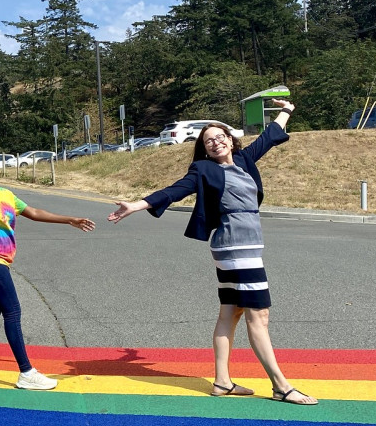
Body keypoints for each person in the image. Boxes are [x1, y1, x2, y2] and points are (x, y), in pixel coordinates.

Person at [107, 102, 317, 405]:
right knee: (259, 315)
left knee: (231, 313)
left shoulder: (244, 160)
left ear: (231, 140)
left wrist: (287, 110)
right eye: (209, 140)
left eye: (221, 137)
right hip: (235, 248)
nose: (216, 141)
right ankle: (281, 385)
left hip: (244, 246)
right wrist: (138, 205)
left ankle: (222, 382)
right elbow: (174, 190)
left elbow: (270, 136)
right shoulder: (203, 169)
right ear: (205, 149)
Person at [0, 152, 95, 390]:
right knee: (12, 311)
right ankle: (26, 372)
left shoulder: (6, 194)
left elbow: (33, 213)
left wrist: (69, 219)